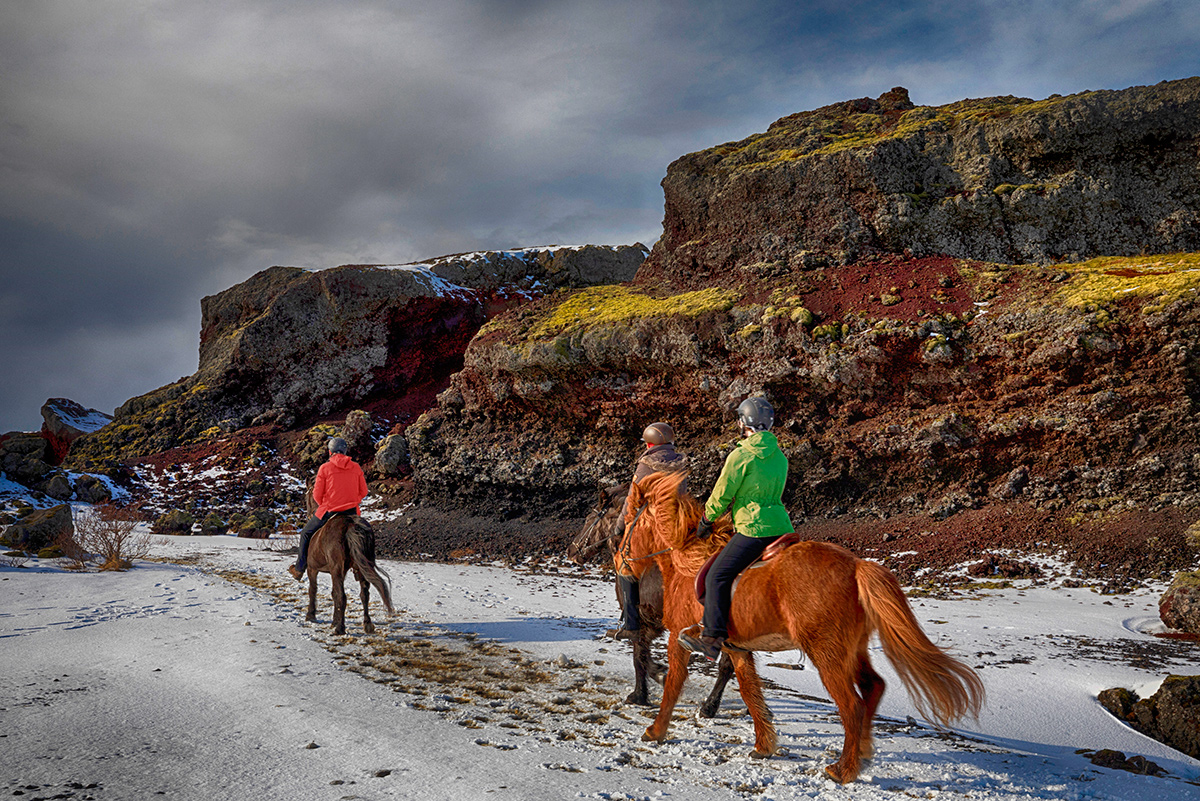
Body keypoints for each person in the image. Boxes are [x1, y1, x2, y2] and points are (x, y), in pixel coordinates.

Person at [679, 397, 792, 661]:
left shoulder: (741, 455)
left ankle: (712, 638)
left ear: (744, 422)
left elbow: (722, 493)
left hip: (754, 528)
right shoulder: (780, 456)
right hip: (782, 526)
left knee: (716, 576)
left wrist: (707, 520)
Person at [605, 421, 687, 640]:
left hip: (651, 525)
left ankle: (631, 624)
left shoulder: (646, 464)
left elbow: (631, 501)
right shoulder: (681, 463)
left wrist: (619, 527)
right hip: (678, 524)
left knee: (624, 563)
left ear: (651, 444)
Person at [288, 437, 368, 580]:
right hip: (352, 512)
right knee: (363, 535)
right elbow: (363, 492)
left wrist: (326, 503)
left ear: (330, 451)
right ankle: (360, 570)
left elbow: (317, 495)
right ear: (345, 451)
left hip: (329, 510)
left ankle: (299, 569)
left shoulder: (325, 468)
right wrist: (352, 501)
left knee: (306, 533)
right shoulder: (356, 467)